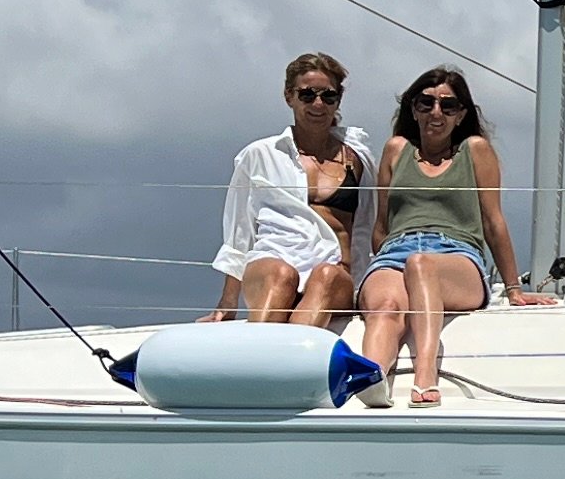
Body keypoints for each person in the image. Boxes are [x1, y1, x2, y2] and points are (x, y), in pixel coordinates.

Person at [357, 65, 532, 402]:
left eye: (447, 106)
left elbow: (493, 221)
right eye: (426, 103)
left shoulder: (476, 151)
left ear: (460, 114)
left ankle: (425, 372)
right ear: (413, 109)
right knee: (386, 305)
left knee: (422, 264)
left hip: (456, 254)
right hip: (396, 251)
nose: (436, 112)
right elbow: (381, 226)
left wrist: (514, 289)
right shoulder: (395, 150)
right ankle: (370, 379)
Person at [210, 54, 365, 327]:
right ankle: (267, 358)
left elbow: (373, 223)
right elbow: (239, 231)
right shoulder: (259, 154)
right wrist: (227, 302)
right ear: (289, 96)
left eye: (328, 96)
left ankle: (282, 360)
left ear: (338, 100)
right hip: (272, 261)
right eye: (307, 95)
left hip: (334, 272)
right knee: (281, 274)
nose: (318, 104)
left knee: (326, 276)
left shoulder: (358, 158)